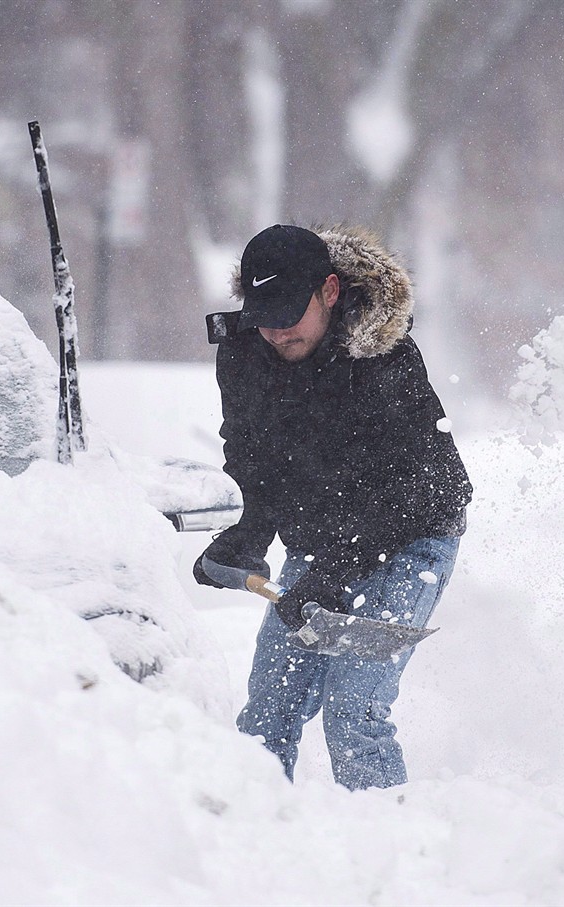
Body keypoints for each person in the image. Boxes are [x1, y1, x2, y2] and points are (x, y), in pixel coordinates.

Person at [194, 223, 472, 791]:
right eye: (262, 313)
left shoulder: (381, 356)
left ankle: (389, 853)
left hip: (410, 533)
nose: (274, 330)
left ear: (329, 291)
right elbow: (252, 451)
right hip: (322, 541)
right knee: (268, 712)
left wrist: (336, 574)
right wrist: (250, 530)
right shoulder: (246, 350)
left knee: (353, 715)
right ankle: (254, 843)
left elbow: (421, 489)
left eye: (289, 312)